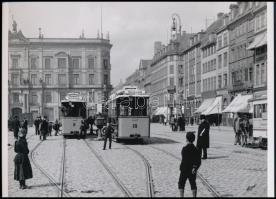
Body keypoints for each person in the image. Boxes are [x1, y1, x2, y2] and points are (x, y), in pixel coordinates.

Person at [178, 132, 201, 197]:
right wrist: (195, 168)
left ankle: (181, 196)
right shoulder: (196, 149)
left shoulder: (184, 149)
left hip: (184, 169)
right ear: (194, 140)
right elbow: (198, 161)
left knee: (181, 183)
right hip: (192, 170)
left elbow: (184, 160)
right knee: (193, 184)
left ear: (187, 139)